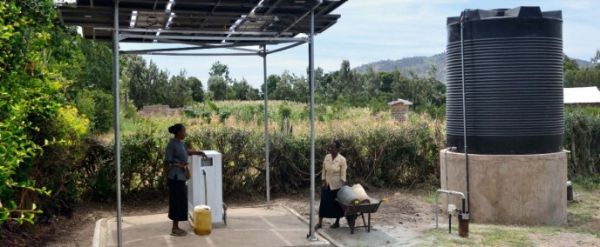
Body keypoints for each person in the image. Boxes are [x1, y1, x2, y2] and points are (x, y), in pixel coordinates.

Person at [164, 123, 206, 236]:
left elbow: (187, 152)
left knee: (181, 201)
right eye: (183, 131)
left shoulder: (180, 144)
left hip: (181, 176)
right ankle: (174, 228)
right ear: (178, 133)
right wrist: (166, 178)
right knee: (176, 202)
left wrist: (199, 152)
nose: (185, 133)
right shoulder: (172, 144)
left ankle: (176, 227)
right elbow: (167, 162)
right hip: (175, 177)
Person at [316, 140, 347, 229]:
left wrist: (343, 186)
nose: (330, 149)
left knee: (336, 205)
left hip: (337, 186)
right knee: (323, 204)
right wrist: (323, 181)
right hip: (326, 184)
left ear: (338, 149)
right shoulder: (327, 157)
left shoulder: (342, 160)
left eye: (333, 147)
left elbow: (343, 174)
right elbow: (323, 170)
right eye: (330, 147)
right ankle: (320, 223)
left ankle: (337, 222)